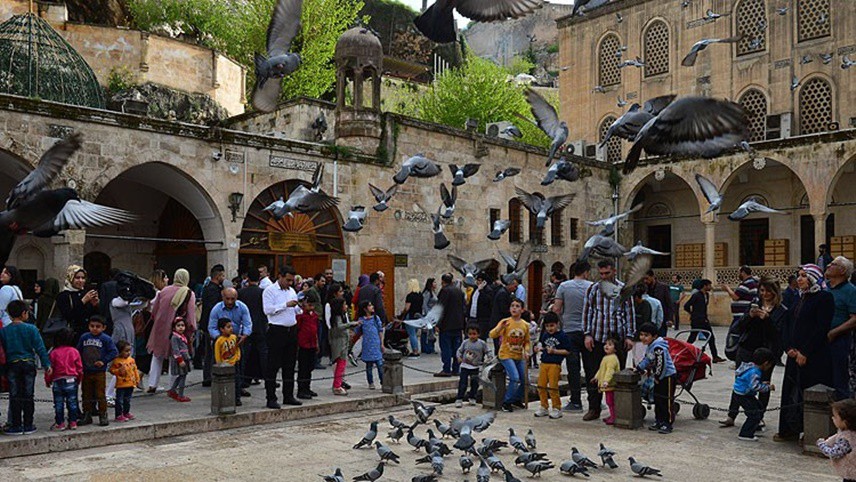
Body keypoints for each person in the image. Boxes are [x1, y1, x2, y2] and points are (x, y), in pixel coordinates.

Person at [776, 264, 835, 442]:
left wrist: (805, 351)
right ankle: (790, 429)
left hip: (814, 356)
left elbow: (821, 328)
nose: (799, 279)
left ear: (812, 278)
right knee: (791, 391)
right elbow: (788, 324)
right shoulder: (799, 298)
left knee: (810, 390)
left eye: (803, 276)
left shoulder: (824, 298)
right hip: (795, 355)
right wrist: (789, 348)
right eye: (799, 276)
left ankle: (811, 432)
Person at [721, 277, 787, 429]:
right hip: (747, 349)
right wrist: (750, 316)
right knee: (741, 381)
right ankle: (732, 415)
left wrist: (767, 319)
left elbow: (778, 335)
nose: (764, 294)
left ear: (775, 292)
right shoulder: (754, 304)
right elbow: (740, 327)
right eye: (762, 290)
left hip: (765, 353)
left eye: (768, 291)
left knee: (764, 384)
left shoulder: (781, 311)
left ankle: (758, 416)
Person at [581, 259, 635, 422]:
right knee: (594, 374)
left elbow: (629, 313)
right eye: (601, 273)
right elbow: (587, 312)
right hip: (597, 336)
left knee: (616, 375)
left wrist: (630, 336)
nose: (604, 276)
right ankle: (594, 408)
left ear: (614, 271)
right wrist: (587, 334)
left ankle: (617, 409)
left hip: (617, 339)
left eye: (607, 273)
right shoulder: (593, 289)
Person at [1, 300, 51, 434]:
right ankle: (28, 424)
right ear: (24, 313)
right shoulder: (32, 329)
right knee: (28, 395)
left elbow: (3, 351)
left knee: (15, 395)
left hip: (12, 365)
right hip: (28, 364)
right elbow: (40, 348)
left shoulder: (4, 331)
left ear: (10, 315)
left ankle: (15, 425)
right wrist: (47, 364)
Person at [146, 268, 195, 393]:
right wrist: (191, 329)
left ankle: (152, 383)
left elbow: (154, 311)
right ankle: (172, 386)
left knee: (157, 355)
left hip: (160, 326)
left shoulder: (164, 291)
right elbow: (190, 315)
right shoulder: (188, 293)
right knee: (175, 355)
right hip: (177, 328)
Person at [553, 260, 592, 413]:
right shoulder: (591, 286)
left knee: (573, 368)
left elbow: (556, 309)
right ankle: (594, 401)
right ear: (586, 272)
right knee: (590, 367)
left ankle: (576, 402)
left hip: (570, 331)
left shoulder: (564, 286)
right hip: (588, 331)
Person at [263, 265, 302, 408]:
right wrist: (285, 305)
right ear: (280, 276)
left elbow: (296, 311)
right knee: (273, 366)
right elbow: (267, 310)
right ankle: (271, 397)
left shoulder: (291, 291)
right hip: (276, 330)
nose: (290, 283)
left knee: (290, 365)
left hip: (291, 329)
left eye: (292, 281)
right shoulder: (269, 291)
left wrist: (299, 306)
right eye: (287, 280)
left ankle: (288, 395)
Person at [208, 287, 252, 400]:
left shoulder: (242, 307)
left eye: (232, 299)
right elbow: (211, 327)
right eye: (227, 299)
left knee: (239, 365)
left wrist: (245, 335)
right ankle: (220, 386)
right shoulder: (216, 309)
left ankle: (238, 388)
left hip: (237, 340)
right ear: (223, 297)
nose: (230, 302)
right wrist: (222, 339)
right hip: (221, 341)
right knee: (219, 363)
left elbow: (248, 323)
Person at [634, 322, 677, 434]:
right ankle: (659, 421)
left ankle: (667, 423)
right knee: (657, 400)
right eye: (641, 334)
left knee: (665, 400)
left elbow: (661, 365)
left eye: (646, 335)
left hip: (666, 377)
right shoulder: (650, 347)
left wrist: (658, 377)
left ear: (654, 336)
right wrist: (638, 368)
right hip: (658, 377)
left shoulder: (658, 347)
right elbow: (647, 359)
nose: (643, 337)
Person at [490, 298, 530, 413]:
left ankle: (516, 398)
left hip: (519, 355)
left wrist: (526, 351)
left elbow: (527, 341)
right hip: (506, 354)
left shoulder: (525, 325)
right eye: (512, 306)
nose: (514, 308)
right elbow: (492, 334)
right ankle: (506, 402)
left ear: (522, 310)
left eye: (517, 306)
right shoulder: (505, 322)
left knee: (525, 380)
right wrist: (500, 327)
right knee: (514, 378)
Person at [77, 315, 118, 427]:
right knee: (86, 394)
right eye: (92, 326)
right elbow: (78, 351)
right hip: (86, 371)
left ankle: (103, 414)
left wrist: (103, 361)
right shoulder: (84, 337)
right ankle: (87, 414)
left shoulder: (106, 339)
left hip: (99, 372)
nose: (94, 328)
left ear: (103, 327)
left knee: (100, 394)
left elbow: (113, 352)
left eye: (98, 326)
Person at [825, 256, 856, 399]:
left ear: (842, 271)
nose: (828, 265)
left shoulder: (851, 291)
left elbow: (854, 319)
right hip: (821, 339)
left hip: (839, 341)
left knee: (840, 380)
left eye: (833, 264)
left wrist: (834, 332)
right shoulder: (824, 287)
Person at [729, 347, 775, 442]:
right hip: (744, 395)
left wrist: (762, 384)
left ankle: (754, 426)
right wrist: (767, 388)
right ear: (766, 363)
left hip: (741, 392)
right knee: (754, 414)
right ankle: (745, 433)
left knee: (758, 407)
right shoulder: (755, 372)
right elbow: (754, 386)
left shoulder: (750, 366)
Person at [534, 312, 571, 419]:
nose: (549, 328)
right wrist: (538, 348)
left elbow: (567, 351)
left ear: (557, 324)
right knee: (541, 385)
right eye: (547, 326)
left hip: (555, 364)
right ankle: (544, 406)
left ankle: (557, 407)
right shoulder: (545, 335)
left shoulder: (562, 336)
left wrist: (555, 351)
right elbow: (542, 345)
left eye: (552, 325)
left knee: (553, 387)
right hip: (544, 363)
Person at [45, 328, 82, 431]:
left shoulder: (54, 352)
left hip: (58, 380)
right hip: (71, 379)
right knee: (72, 402)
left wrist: (48, 380)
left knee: (58, 403)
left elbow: (50, 369)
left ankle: (60, 423)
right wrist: (79, 379)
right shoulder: (74, 351)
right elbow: (79, 368)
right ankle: (73, 422)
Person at [684, 279, 725, 363]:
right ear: (705, 286)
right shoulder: (696, 295)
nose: (710, 287)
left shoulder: (706, 295)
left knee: (711, 338)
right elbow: (686, 305)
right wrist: (692, 314)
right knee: (692, 337)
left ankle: (715, 356)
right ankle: (684, 352)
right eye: (709, 285)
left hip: (704, 320)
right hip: (697, 320)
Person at [239, 270, 268, 386]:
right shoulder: (262, 292)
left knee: (245, 354)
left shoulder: (241, 292)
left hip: (246, 327)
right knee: (263, 353)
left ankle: (244, 378)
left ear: (247, 278)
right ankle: (267, 378)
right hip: (260, 326)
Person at [56, 265, 99, 344]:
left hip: (87, 335)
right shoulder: (64, 295)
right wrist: (83, 301)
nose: (80, 280)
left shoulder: (85, 293)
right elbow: (68, 315)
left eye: (83, 278)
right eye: (77, 278)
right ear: (71, 278)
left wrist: (94, 305)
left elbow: (90, 315)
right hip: (71, 335)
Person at [817, 398, 856, 482]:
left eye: (835, 417)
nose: (832, 418)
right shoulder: (849, 432)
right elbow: (835, 437)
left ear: (845, 422)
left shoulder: (847, 438)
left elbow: (834, 453)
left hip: (852, 475)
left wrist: (821, 444)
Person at [436, 273, 466, 377]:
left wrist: (437, 323)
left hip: (446, 324)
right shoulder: (459, 291)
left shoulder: (445, 291)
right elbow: (463, 308)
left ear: (442, 281)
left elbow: (440, 308)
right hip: (458, 324)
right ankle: (456, 368)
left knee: (446, 348)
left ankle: (447, 369)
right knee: (457, 348)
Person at [200, 265, 226, 384]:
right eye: (223, 275)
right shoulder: (213, 290)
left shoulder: (209, 288)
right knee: (212, 352)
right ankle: (210, 376)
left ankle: (209, 376)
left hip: (209, 324)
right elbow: (213, 309)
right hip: (211, 325)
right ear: (218, 275)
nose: (224, 278)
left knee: (210, 352)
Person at [454, 325, 489, 408]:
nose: (472, 336)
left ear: (478, 334)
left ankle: (472, 397)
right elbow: (459, 351)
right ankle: (459, 398)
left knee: (474, 383)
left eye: (474, 334)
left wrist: (489, 359)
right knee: (463, 383)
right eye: (470, 334)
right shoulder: (465, 342)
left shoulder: (482, 343)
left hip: (476, 367)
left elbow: (488, 351)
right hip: (465, 366)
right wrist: (459, 357)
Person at [326, 286, 352, 395]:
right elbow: (340, 327)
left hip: (344, 343)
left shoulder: (342, 316)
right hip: (339, 343)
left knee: (342, 364)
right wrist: (352, 324)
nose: (346, 306)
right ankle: (337, 386)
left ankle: (338, 383)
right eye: (344, 305)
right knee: (339, 364)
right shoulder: (336, 318)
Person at [356, 300, 384, 389]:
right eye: (369, 305)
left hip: (376, 344)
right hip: (367, 344)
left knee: (380, 364)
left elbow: (380, 331)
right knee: (369, 366)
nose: (372, 307)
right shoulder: (361, 320)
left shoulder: (376, 318)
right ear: (365, 309)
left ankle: (383, 381)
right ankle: (370, 382)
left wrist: (382, 343)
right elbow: (357, 331)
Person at [108, 340, 139, 422]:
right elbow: (111, 370)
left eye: (129, 351)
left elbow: (135, 369)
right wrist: (118, 371)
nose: (128, 353)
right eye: (126, 351)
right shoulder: (117, 361)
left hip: (130, 383)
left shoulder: (131, 360)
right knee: (119, 400)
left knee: (127, 400)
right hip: (121, 384)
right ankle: (118, 414)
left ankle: (126, 412)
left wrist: (137, 379)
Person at [593, 336, 621, 425]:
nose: (606, 346)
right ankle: (612, 415)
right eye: (606, 344)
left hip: (610, 385)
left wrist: (606, 381)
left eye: (610, 345)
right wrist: (596, 377)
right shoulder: (606, 357)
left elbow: (610, 371)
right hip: (607, 385)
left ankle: (613, 417)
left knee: (611, 402)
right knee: (609, 402)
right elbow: (601, 369)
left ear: (615, 349)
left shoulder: (612, 358)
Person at [214, 318, 242, 405]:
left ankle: (237, 398)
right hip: (225, 365)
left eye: (231, 327)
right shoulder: (219, 341)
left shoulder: (234, 337)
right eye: (228, 327)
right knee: (227, 383)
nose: (231, 329)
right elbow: (217, 354)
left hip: (235, 363)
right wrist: (220, 364)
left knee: (237, 382)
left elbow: (237, 348)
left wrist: (237, 357)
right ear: (222, 329)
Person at [296, 296, 319, 400]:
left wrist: (317, 343)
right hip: (303, 344)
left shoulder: (314, 316)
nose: (311, 307)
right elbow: (298, 329)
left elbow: (316, 331)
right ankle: (301, 389)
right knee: (303, 368)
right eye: (309, 304)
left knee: (310, 367)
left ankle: (307, 387)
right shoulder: (301, 316)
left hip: (312, 344)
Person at [489, 277, 517, 352]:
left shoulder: (505, 293)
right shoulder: (503, 294)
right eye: (514, 286)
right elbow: (504, 310)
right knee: (499, 345)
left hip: (501, 322)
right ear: (510, 285)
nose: (515, 289)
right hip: (499, 322)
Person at [167, 317, 192, 402]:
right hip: (180, 359)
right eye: (178, 325)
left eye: (182, 325)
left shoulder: (183, 336)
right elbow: (175, 350)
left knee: (182, 375)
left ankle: (172, 390)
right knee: (182, 376)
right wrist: (180, 360)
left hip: (185, 358)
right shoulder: (175, 337)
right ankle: (180, 395)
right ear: (174, 327)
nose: (181, 327)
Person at [401, 279, 424, 358]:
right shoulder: (420, 295)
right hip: (418, 316)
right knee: (415, 333)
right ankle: (416, 349)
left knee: (412, 334)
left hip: (410, 316)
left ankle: (415, 351)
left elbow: (407, 308)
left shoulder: (410, 296)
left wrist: (402, 313)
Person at [421, 278, 438, 354]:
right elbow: (424, 304)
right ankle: (425, 347)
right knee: (426, 331)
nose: (435, 284)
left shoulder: (433, 292)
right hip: (428, 315)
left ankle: (431, 347)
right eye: (434, 282)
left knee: (432, 331)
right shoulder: (428, 293)